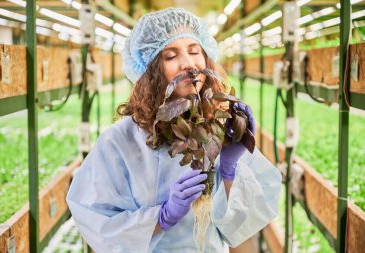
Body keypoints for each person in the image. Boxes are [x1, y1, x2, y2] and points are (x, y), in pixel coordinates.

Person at [66, 7, 281, 253]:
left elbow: (243, 227)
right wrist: (161, 217)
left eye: (194, 51)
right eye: (170, 55)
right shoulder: (120, 141)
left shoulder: (220, 129)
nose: (189, 64)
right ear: (149, 70)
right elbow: (96, 221)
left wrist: (231, 172)